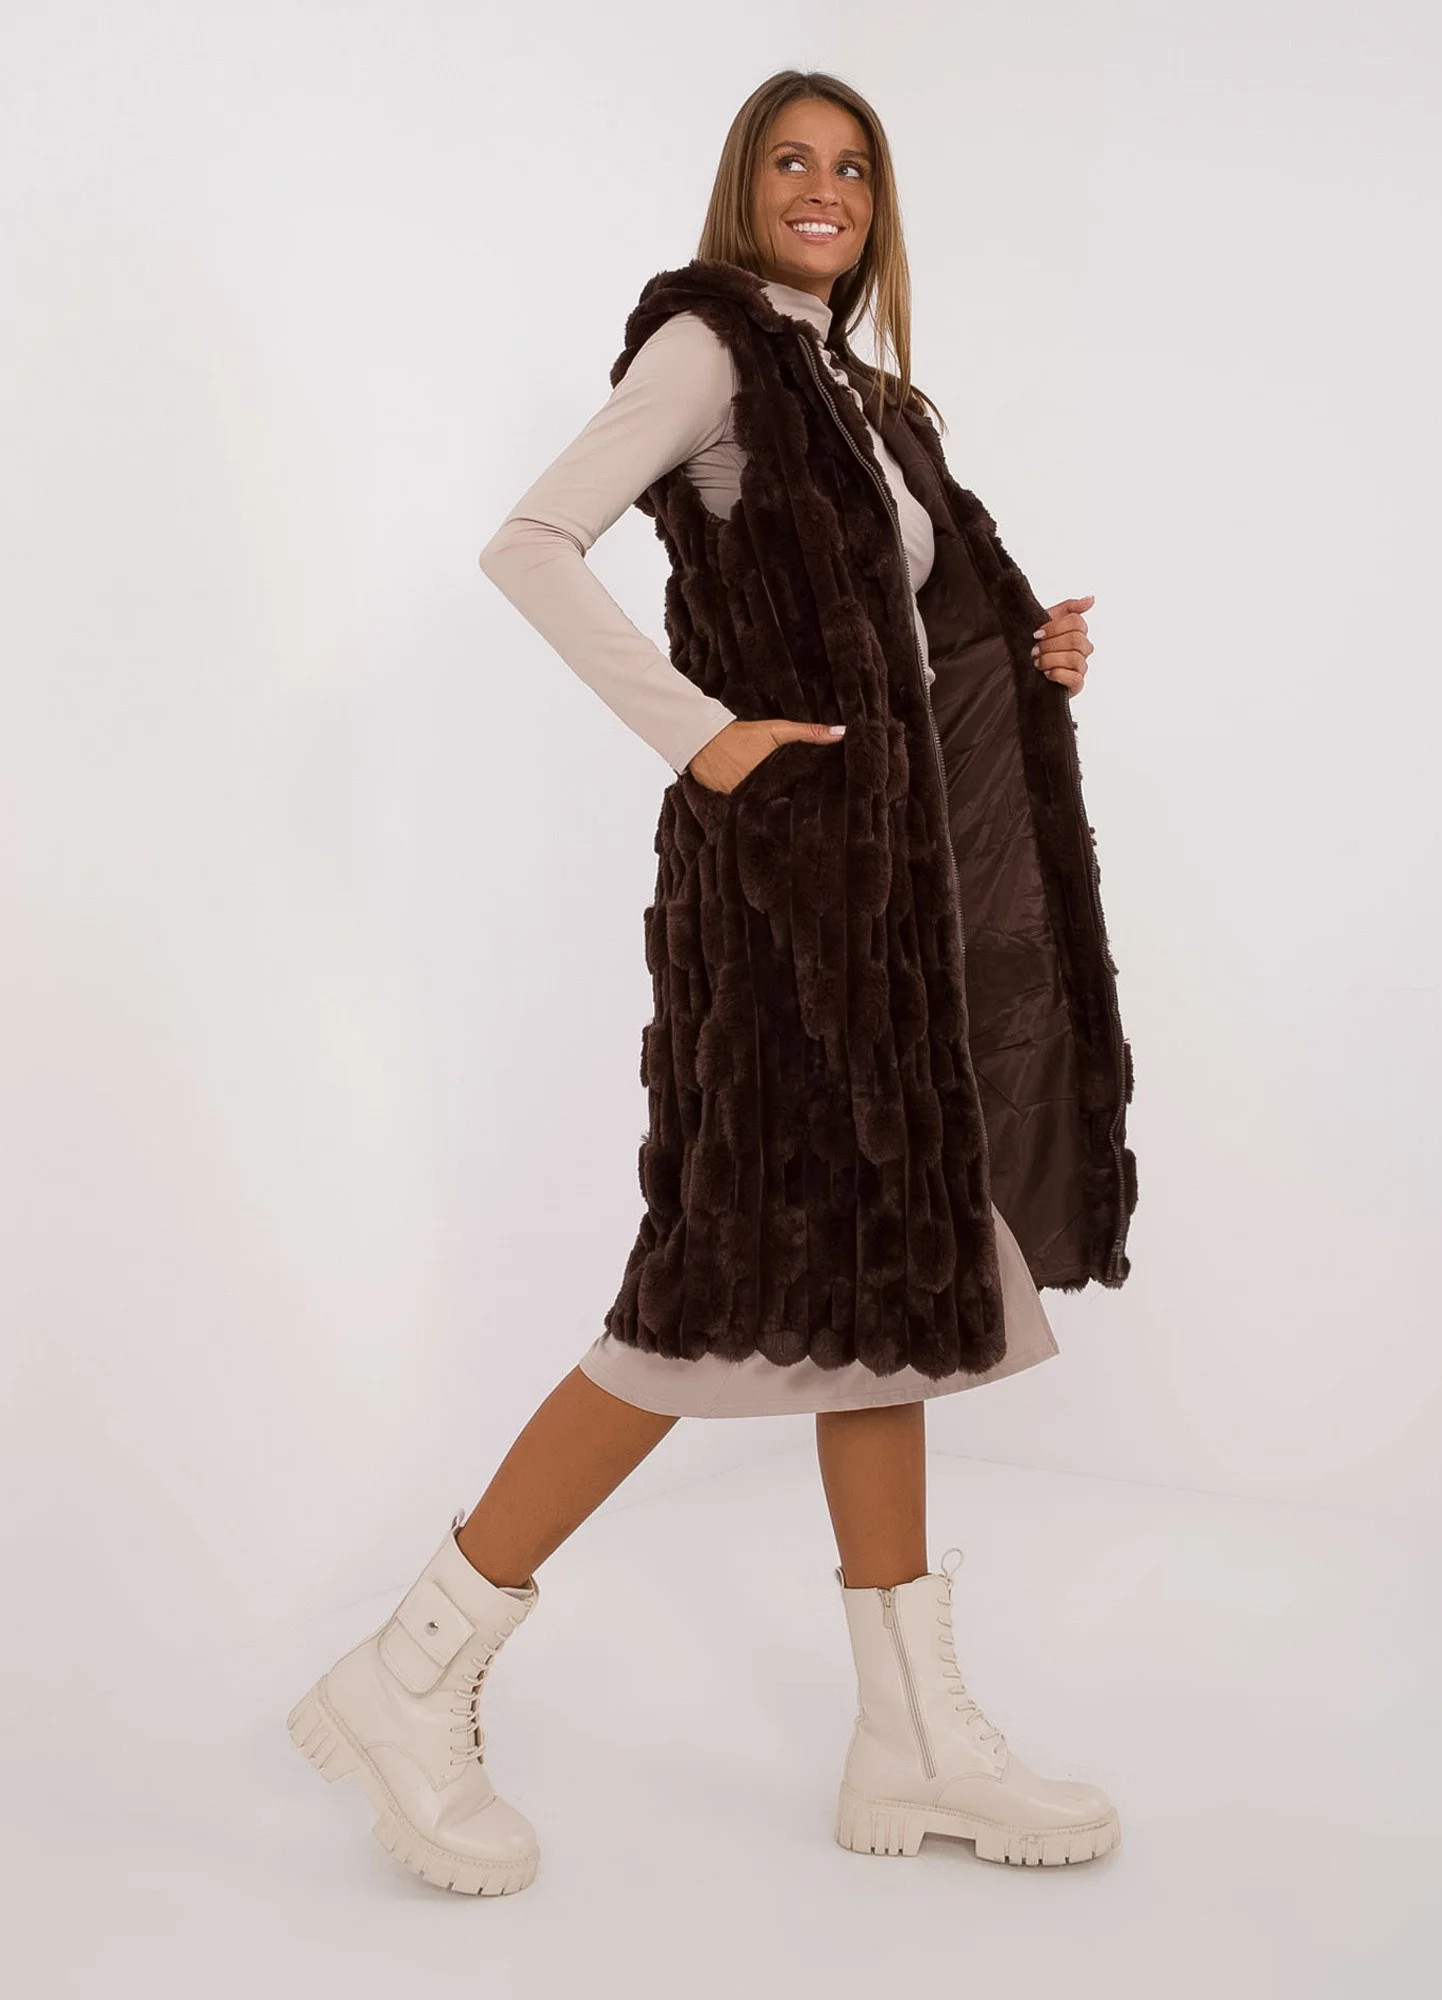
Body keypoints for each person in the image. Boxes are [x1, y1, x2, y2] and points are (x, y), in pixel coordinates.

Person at [287, 68, 1136, 1898]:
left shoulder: (867, 400)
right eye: (792, 162)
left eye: (854, 169)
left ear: (876, 208)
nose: (825, 188)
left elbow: (906, 651)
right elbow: (529, 543)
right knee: (698, 1303)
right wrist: (702, 735)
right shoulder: (711, 352)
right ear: (745, 187)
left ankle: (909, 1742)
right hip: (785, 918)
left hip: (880, 925)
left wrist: (1021, 659)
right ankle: (407, 1674)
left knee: (890, 1293)